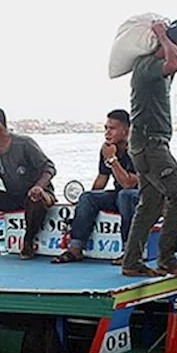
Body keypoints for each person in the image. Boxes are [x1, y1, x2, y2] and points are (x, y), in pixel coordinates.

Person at [121, 19, 177, 278]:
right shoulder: (146, 67)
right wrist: (163, 36)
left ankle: (132, 262)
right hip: (150, 145)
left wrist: (167, 39)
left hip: (148, 145)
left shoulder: (160, 71)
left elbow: (176, 64)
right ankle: (167, 257)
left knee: (151, 205)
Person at [53, 110, 138, 264]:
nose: (107, 133)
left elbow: (128, 183)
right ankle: (76, 248)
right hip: (121, 195)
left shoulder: (137, 149)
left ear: (125, 130)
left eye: (112, 129)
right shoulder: (107, 149)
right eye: (105, 128)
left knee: (125, 195)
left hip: (143, 196)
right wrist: (87, 202)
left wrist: (112, 159)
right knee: (87, 197)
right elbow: (102, 178)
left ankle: (129, 251)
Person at [0, 107, 56, 259]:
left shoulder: (24, 144)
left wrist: (39, 187)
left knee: (35, 199)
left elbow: (49, 167)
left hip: (37, 193)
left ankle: (28, 242)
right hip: (14, 195)